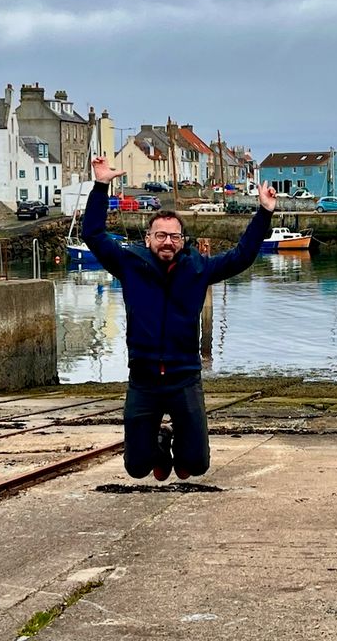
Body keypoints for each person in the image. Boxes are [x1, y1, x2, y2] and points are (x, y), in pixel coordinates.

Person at [82, 157, 278, 481]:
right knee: (137, 468)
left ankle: (182, 444)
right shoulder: (129, 265)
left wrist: (264, 212)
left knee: (195, 466)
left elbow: (242, 256)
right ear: (148, 239)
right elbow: (93, 234)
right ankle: (159, 441)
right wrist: (101, 185)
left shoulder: (198, 269)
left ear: (182, 241)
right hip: (143, 378)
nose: (167, 242)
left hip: (184, 377)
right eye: (160, 236)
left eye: (174, 236)